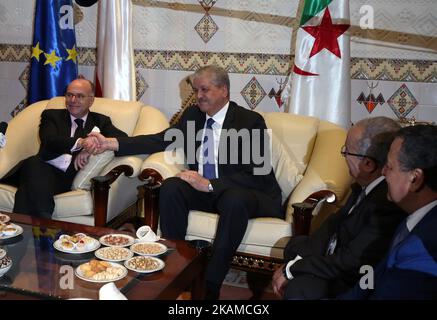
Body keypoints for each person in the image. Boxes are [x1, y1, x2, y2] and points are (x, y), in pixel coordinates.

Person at [88, 65, 283, 299]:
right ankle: (179, 268)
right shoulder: (193, 115)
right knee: (171, 187)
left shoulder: (250, 121)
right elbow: (160, 140)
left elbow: (258, 174)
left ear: (224, 90)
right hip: (211, 193)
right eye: (196, 90)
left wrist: (209, 184)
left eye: (205, 89)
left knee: (233, 198)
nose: (198, 95)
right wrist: (112, 143)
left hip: (251, 194)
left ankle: (210, 284)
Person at [271, 116, 406, 300]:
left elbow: (350, 262)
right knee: (295, 247)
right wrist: (298, 260)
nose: (344, 157)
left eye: (346, 152)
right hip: (335, 260)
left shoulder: (386, 204)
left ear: (368, 164)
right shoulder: (362, 185)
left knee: (300, 287)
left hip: (355, 279)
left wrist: (292, 269)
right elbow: (332, 226)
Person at [1, 78, 127, 219]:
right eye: (69, 95)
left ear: (91, 100)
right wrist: (81, 143)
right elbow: (49, 141)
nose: (73, 100)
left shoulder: (101, 121)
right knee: (34, 163)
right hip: (41, 167)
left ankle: (24, 227)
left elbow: (123, 140)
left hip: (66, 177)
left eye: (79, 96)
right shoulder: (51, 115)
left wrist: (93, 142)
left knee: (27, 187)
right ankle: (44, 221)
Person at [340, 124, 437, 299]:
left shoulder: (425, 246)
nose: (383, 172)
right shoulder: (413, 221)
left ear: (415, 179)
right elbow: (368, 285)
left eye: (390, 167)